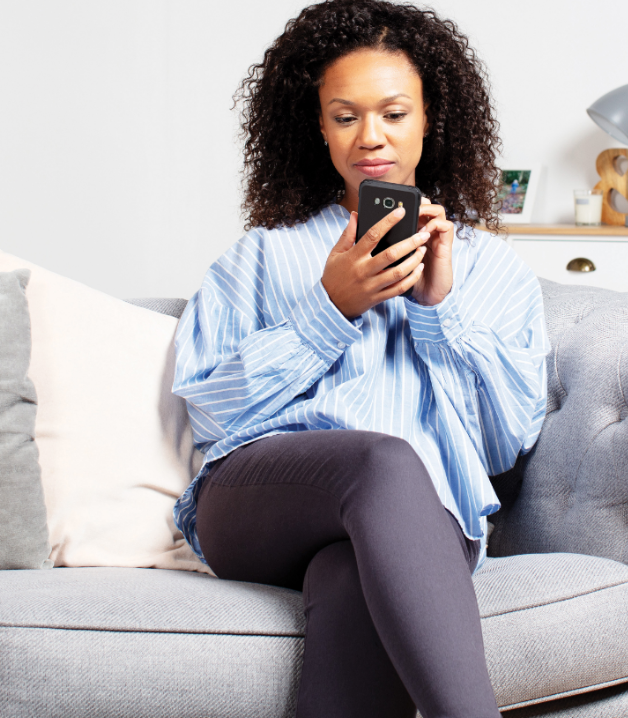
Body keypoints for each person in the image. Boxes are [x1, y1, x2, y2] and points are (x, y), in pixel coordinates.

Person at [172, 1, 549, 716]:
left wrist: (441, 311)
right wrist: (328, 309)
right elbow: (209, 416)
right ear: (317, 126)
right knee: (382, 459)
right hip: (255, 508)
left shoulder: (493, 272)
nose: (369, 136)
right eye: (345, 116)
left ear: (430, 117)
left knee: (351, 578)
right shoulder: (260, 256)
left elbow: (505, 444)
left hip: (415, 526)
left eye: (393, 113)